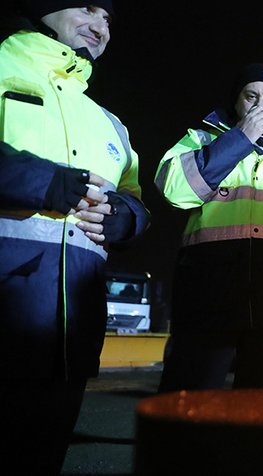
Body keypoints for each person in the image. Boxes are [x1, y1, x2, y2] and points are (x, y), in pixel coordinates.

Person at [0, 1, 150, 473]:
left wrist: (124, 218)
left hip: (72, 337)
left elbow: (134, 197)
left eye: (108, 18)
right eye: (87, 9)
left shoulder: (108, 122)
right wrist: (43, 181)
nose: (100, 26)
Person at [155, 63, 263, 393]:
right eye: (251, 96)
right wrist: (241, 138)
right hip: (208, 289)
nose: (260, 106)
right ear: (236, 102)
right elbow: (173, 190)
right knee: (191, 393)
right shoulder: (200, 139)